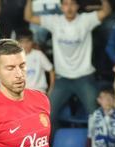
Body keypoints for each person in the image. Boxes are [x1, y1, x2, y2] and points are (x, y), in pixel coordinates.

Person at [25, 0, 110, 128]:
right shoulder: (55, 21)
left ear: (77, 6)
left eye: (72, 4)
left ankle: (98, 146)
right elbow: (29, 17)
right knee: (46, 115)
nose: (69, 7)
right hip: (62, 78)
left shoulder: (86, 20)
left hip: (84, 76)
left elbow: (106, 11)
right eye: (66, 4)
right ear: (61, 7)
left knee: (96, 114)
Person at [17, 29, 54, 94]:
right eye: (22, 42)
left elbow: (51, 70)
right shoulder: (14, 58)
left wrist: (51, 90)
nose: (25, 45)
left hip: (39, 92)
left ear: (32, 42)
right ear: (17, 43)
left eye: (28, 41)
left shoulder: (38, 55)